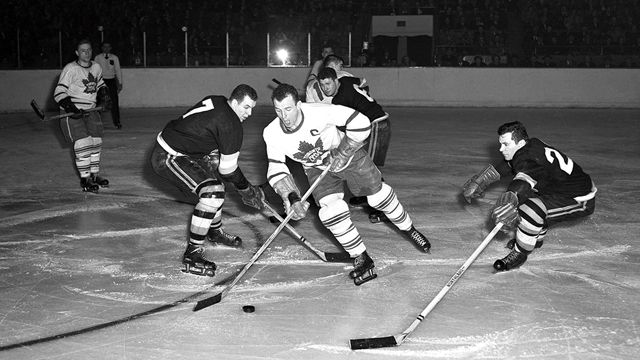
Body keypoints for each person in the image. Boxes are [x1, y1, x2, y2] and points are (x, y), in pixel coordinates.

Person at [264, 84, 431, 286]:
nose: (285, 117)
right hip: (317, 169)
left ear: (298, 105)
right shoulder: (271, 133)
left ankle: (409, 228)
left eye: (288, 109)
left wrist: (342, 152)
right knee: (330, 212)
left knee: (379, 197)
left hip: (348, 156)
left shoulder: (319, 112)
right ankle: (361, 256)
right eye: (278, 110)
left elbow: (361, 123)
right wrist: (291, 197)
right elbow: (276, 167)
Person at [150, 85, 264, 277]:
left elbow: (199, 126)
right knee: (213, 193)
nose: (249, 113)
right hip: (168, 156)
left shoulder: (218, 100)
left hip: (187, 150)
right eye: (246, 107)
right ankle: (192, 254)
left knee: (215, 183)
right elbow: (228, 170)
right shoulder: (230, 124)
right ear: (234, 102)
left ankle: (215, 231)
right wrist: (246, 189)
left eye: (252, 108)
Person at [462, 121, 597, 271]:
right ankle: (534, 238)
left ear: (520, 143)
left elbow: (523, 181)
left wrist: (510, 202)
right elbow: (510, 166)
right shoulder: (531, 145)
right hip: (558, 190)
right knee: (530, 204)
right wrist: (482, 180)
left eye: (506, 144)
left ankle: (520, 253)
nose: (501, 149)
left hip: (579, 198)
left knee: (528, 209)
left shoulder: (527, 159)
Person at [316, 66, 392, 221]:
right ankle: (368, 195)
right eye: (322, 85)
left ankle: (385, 207)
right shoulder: (346, 80)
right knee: (362, 161)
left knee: (369, 166)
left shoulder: (339, 100)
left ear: (336, 81)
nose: (325, 89)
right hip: (376, 123)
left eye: (328, 84)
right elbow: (362, 81)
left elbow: (343, 128)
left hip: (377, 125)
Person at [53, 38, 112, 193]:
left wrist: (105, 95)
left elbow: (99, 84)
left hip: (91, 110)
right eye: (83, 50)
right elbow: (59, 93)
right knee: (83, 143)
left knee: (96, 142)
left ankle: (94, 175)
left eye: (89, 50)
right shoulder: (71, 69)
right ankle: (85, 178)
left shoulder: (96, 67)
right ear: (77, 53)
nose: (87, 53)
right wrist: (71, 107)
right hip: (72, 111)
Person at [94, 41, 123, 129]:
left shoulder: (114, 58)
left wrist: (120, 83)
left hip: (111, 81)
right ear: (102, 48)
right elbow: (94, 71)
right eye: (104, 47)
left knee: (114, 101)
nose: (106, 48)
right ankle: (96, 122)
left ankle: (117, 122)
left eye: (108, 47)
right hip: (101, 80)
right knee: (99, 101)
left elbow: (118, 70)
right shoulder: (98, 58)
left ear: (110, 48)